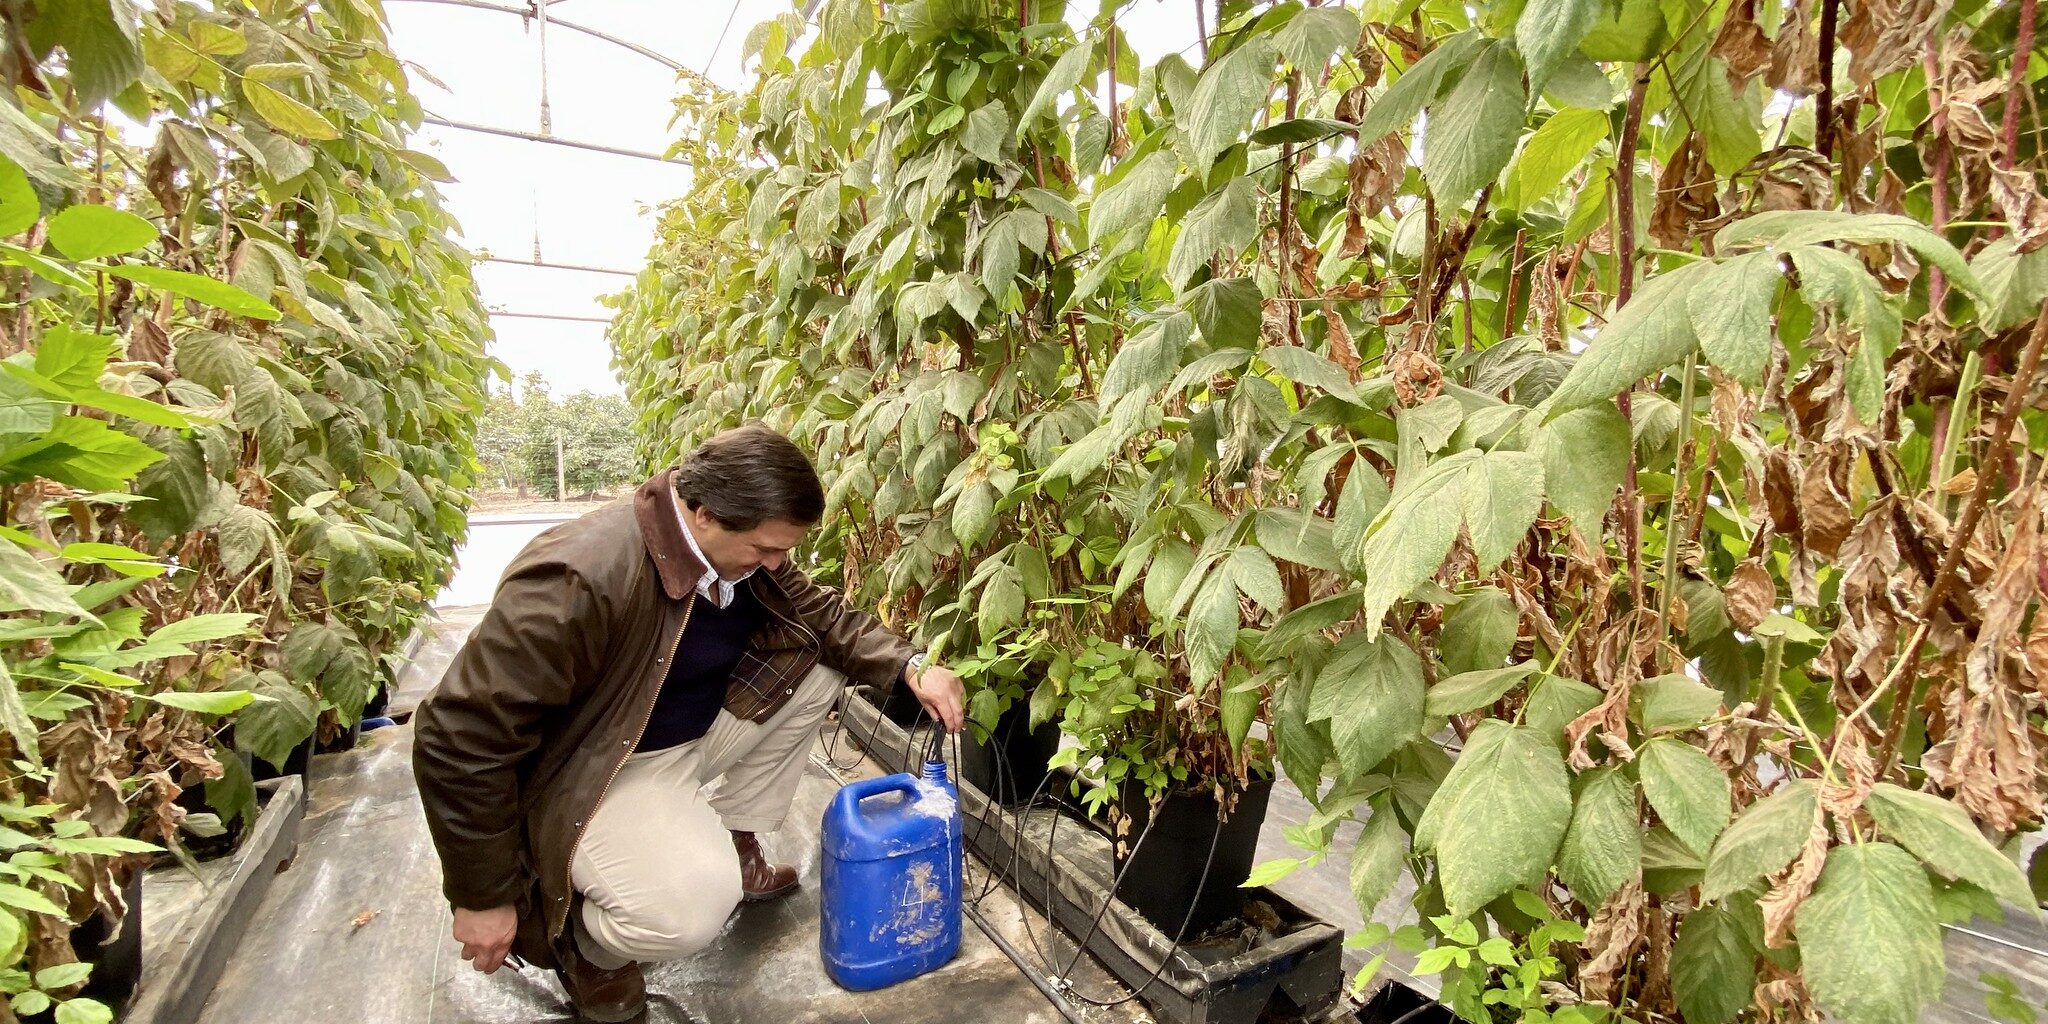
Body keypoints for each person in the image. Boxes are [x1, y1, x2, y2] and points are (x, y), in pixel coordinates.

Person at [412, 423, 965, 1022]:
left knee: (821, 666)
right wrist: (482, 894)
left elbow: (821, 614)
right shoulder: (580, 579)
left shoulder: (737, 557)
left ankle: (736, 839)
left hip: (684, 738)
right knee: (690, 908)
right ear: (702, 513)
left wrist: (912, 667)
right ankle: (590, 951)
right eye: (764, 549)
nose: (777, 564)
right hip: (597, 769)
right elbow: (457, 735)